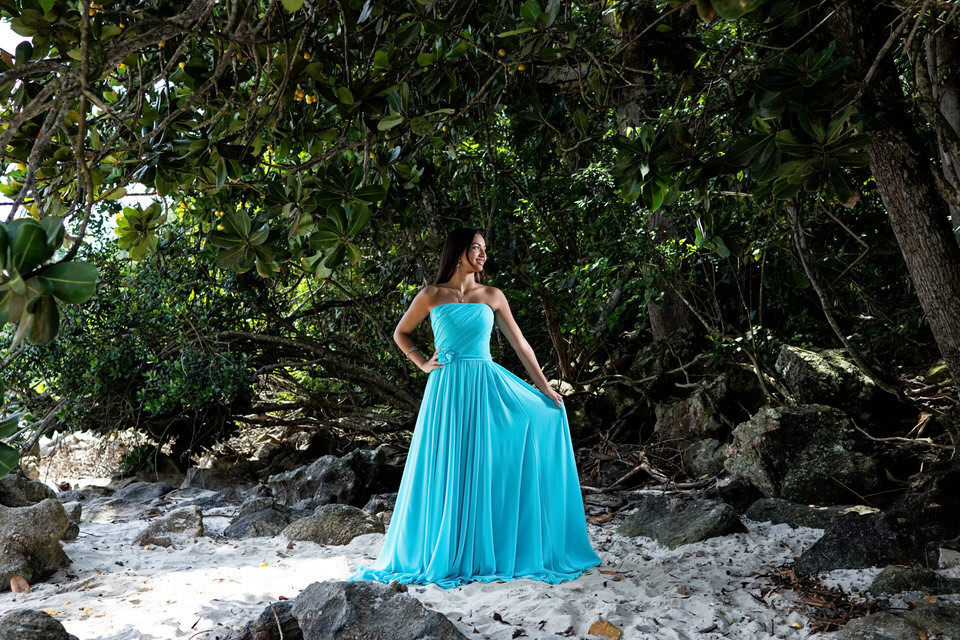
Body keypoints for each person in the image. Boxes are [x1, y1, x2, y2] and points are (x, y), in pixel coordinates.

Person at [346, 227, 602, 589]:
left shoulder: (492, 295)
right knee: (448, 464)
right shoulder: (431, 294)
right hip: (447, 389)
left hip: (484, 384)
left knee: (500, 451)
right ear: (458, 251)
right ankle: (445, 548)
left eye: (484, 249)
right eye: (476, 248)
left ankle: (488, 547)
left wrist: (545, 387)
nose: (483, 254)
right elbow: (401, 333)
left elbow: (521, 344)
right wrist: (422, 363)